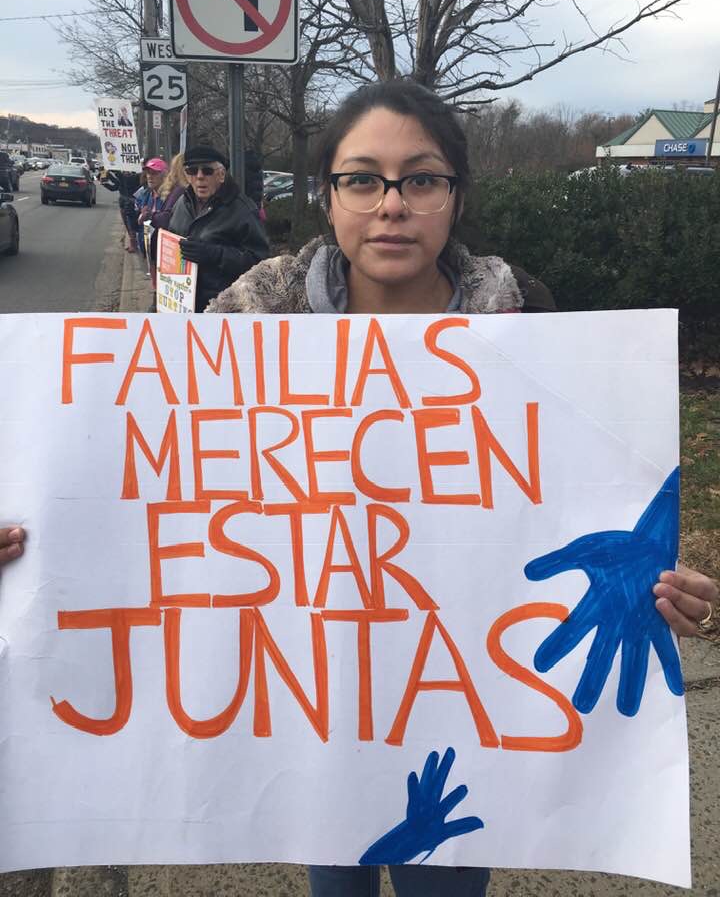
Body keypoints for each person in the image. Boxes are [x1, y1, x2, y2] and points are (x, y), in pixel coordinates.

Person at [1, 81, 716, 896]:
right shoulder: (249, 323)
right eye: (363, 179)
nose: (393, 205)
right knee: (335, 869)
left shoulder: (529, 327)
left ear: (455, 194)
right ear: (328, 194)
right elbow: (140, 484)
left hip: (465, 719)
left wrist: (658, 584)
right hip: (312, 712)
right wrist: (32, 543)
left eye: (422, 179)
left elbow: (584, 497)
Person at [168, 143, 269, 312]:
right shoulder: (181, 203)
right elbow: (172, 239)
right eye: (192, 171)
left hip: (223, 308)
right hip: (181, 302)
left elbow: (260, 262)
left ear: (221, 175)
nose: (199, 177)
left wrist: (215, 254)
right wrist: (158, 244)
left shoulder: (242, 210)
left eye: (207, 171)